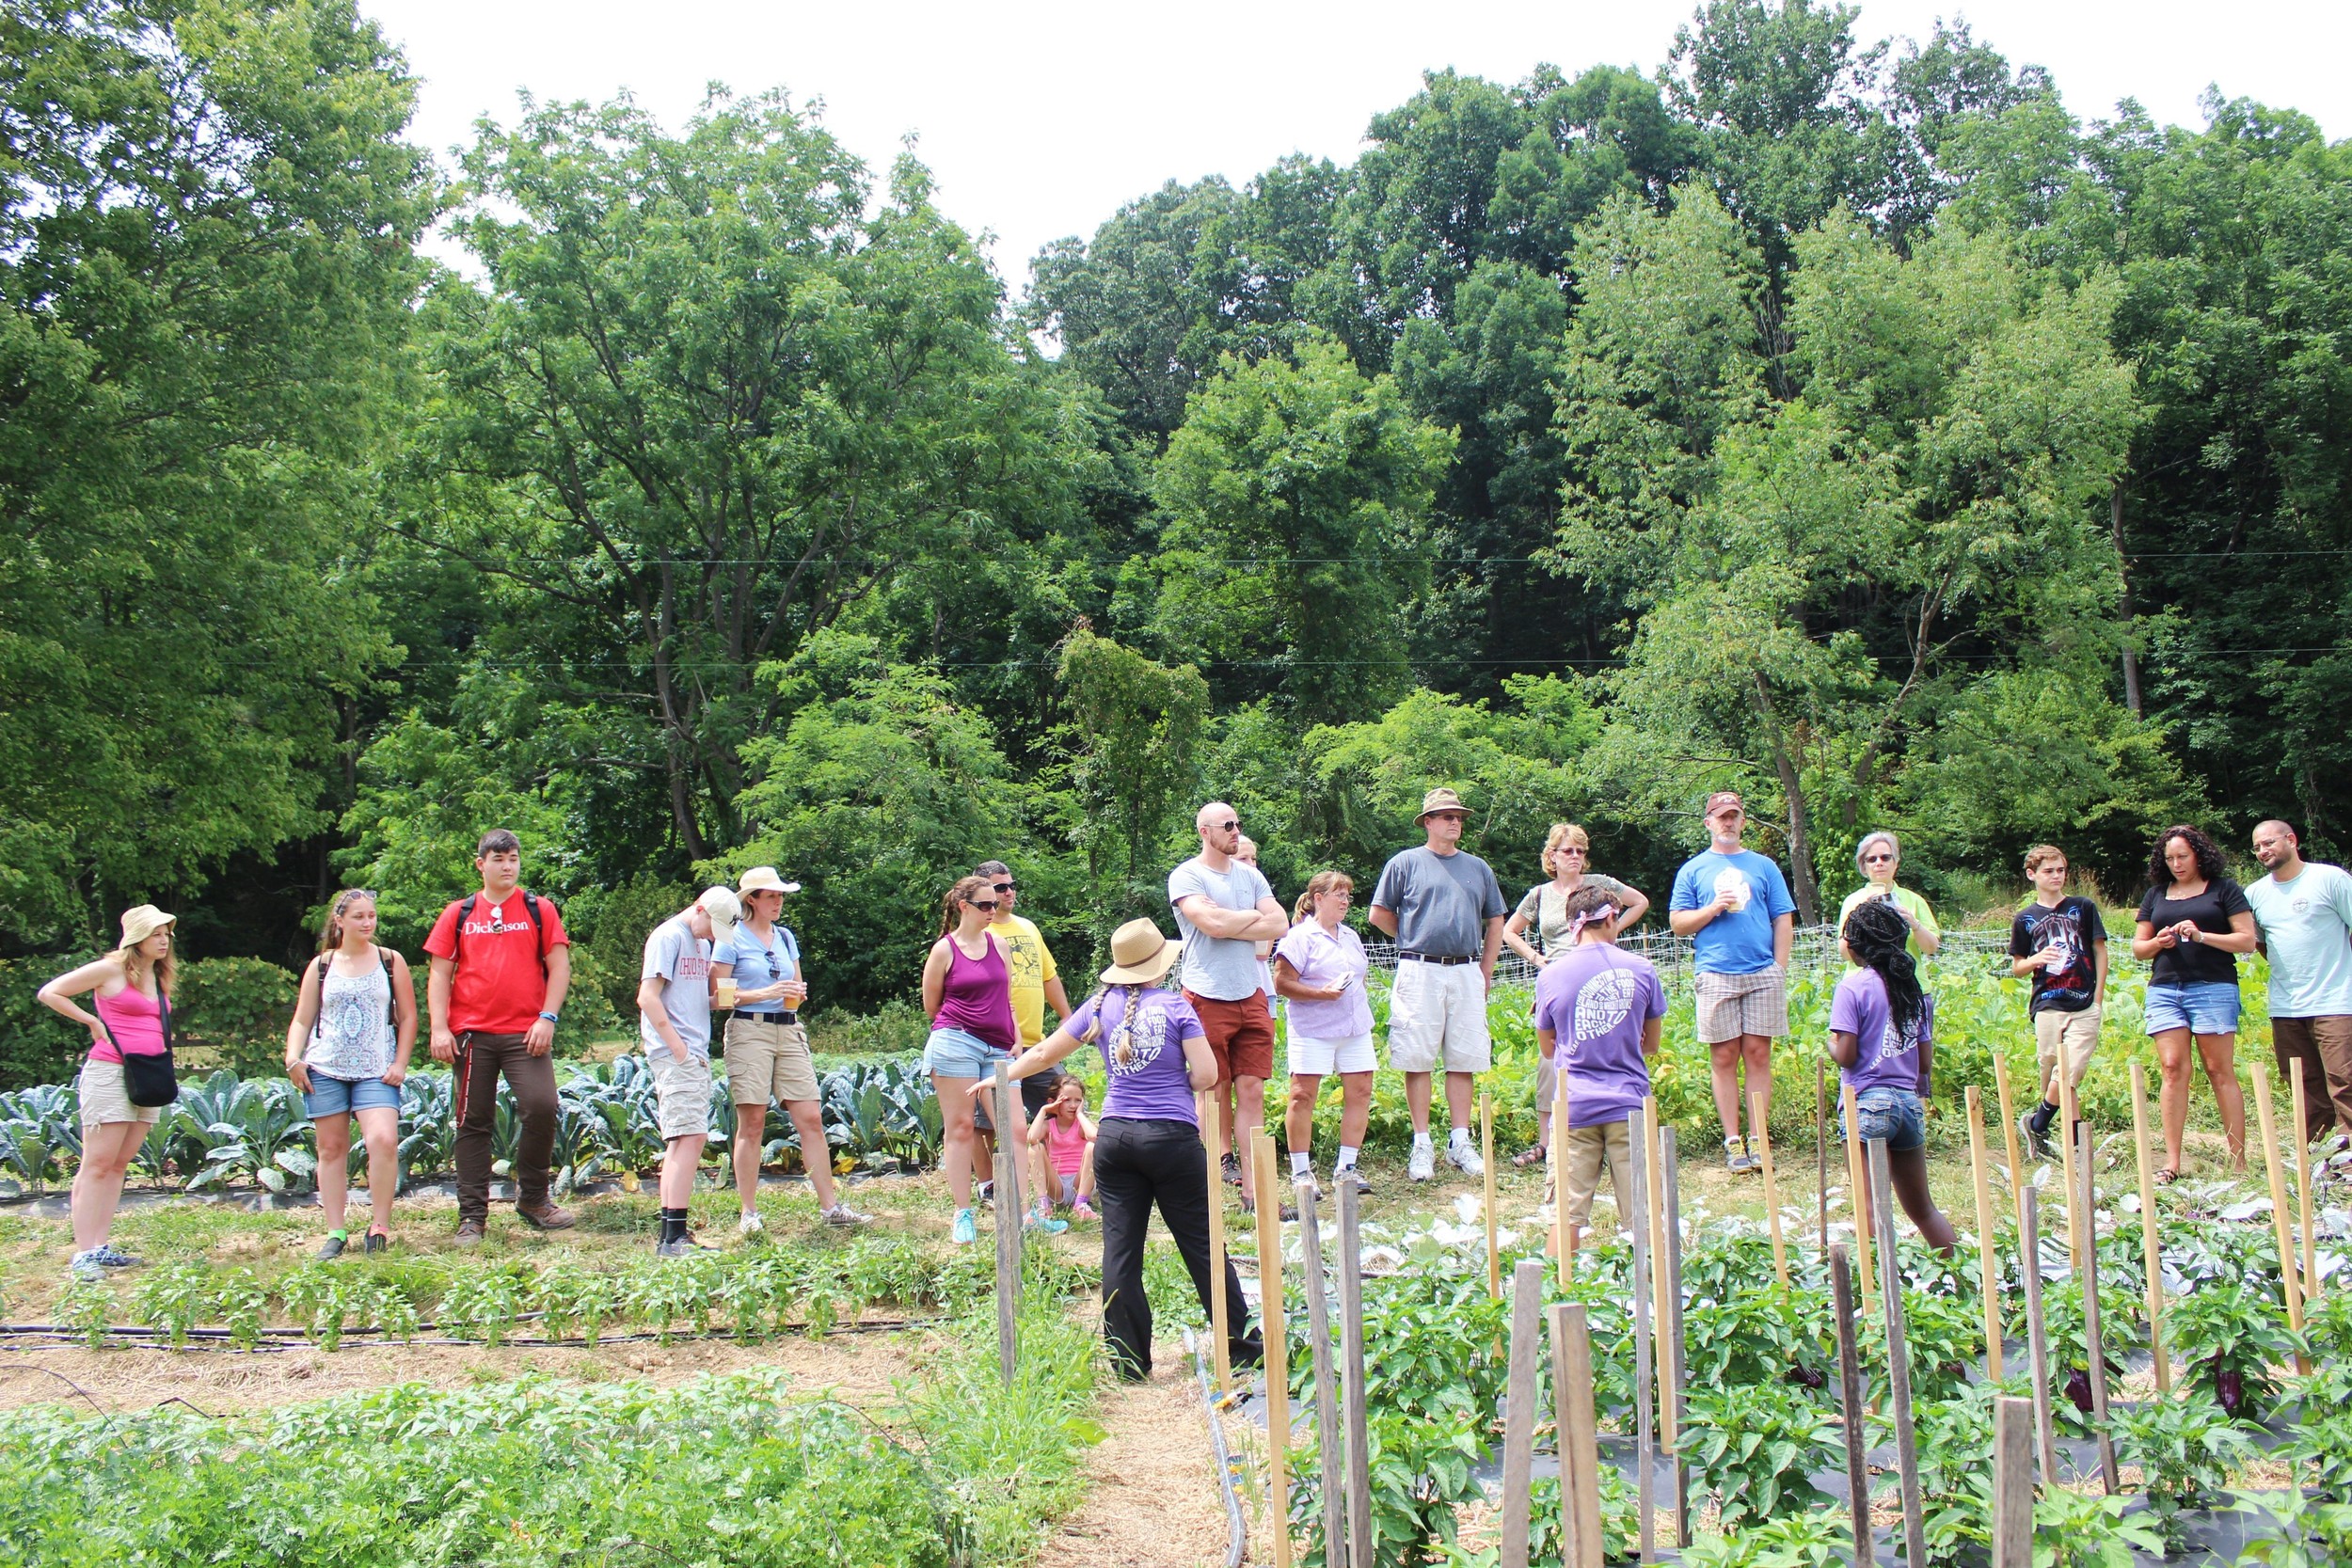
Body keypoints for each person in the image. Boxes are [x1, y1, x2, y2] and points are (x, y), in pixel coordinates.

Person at [983, 918, 1262, 1379]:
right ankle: (1242, 1349)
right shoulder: (1177, 1007)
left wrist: (997, 1078)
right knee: (1204, 1245)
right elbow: (1209, 1075)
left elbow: (1041, 1055)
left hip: (1114, 1139)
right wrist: (1178, 1082)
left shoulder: (1097, 1006)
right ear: (1159, 966)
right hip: (1171, 1139)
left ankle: (1129, 1363)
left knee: (1121, 1251)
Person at [423, 830, 576, 1243]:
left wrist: (548, 1017)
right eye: (498, 859)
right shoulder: (459, 913)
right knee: (473, 1121)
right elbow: (439, 973)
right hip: (472, 1035)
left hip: (526, 1032)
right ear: (481, 864)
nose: (507, 866)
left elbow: (558, 967)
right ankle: (472, 1216)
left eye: (513, 858)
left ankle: (533, 1199)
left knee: (542, 1106)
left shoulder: (538, 909)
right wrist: (439, 1027)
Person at [713, 865, 866, 1232]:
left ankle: (831, 1208)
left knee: (811, 1118)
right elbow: (720, 996)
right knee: (752, 1122)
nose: (779, 902)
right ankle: (749, 1212)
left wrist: (795, 993)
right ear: (752, 900)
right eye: (772, 896)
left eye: (781, 895)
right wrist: (768, 992)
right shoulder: (730, 937)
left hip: (788, 1029)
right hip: (749, 1030)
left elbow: (794, 984)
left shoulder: (784, 936)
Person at [1369, 787, 1507, 1182]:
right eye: (1446, 816)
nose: (1455, 822)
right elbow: (1378, 913)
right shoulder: (1405, 863)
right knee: (1417, 1056)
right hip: (1419, 969)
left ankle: (1460, 1142)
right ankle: (1422, 1143)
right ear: (1427, 822)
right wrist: (1413, 937)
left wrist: (1486, 970)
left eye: (1459, 817)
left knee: (1465, 1056)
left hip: (1466, 970)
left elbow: (1495, 920)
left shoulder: (1478, 867)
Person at [37, 906, 178, 1279]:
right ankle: (83, 1253)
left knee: (118, 1166)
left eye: (166, 934)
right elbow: (51, 992)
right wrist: (91, 1021)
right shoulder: (110, 969)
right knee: (97, 1164)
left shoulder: (157, 975)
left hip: (147, 1077)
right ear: (137, 938)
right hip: (111, 1072)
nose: (163, 941)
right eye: (156, 934)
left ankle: (100, 1246)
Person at [1502, 822, 1650, 1167]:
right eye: (1568, 851)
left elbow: (1639, 902)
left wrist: (1611, 930)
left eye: (1581, 851)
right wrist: (1537, 959)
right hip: (1561, 981)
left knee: (1608, 1047)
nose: (1575, 857)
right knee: (1550, 1058)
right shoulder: (1540, 894)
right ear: (1551, 855)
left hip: (1601, 979)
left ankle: (1614, 1133)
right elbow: (1510, 931)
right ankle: (1549, 1141)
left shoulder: (1601, 885)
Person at [284, 890, 418, 1258]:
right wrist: (293, 1058)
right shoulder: (321, 965)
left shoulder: (391, 961)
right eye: (359, 916)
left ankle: (379, 1226)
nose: (368, 923)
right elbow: (302, 1018)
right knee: (331, 1149)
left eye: (372, 916)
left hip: (376, 1070)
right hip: (326, 1068)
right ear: (339, 921)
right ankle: (336, 1231)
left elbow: (408, 1018)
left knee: (383, 1140)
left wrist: (400, 1063)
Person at [1668, 791, 1797, 1172]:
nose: (1728, 822)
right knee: (1723, 1057)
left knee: (1758, 1054)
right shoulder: (1693, 870)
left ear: (1743, 822)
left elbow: (1783, 918)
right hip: (1716, 971)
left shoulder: (1764, 866)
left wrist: (1779, 968)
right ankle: (1732, 1141)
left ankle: (1759, 1139)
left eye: (1734, 816)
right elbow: (1677, 924)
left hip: (1761, 972)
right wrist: (1713, 907)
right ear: (1708, 822)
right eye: (1721, 816)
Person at [1168, 802, 1288, 1214]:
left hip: (1251, 995)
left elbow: (1280, 924)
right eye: (1228, 825)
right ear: (1205, 831)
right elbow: (1211, 925)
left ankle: (1255, 1194)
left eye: (1238, 824)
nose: (1236, 831)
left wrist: (1230, 920)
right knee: (1209, 1093)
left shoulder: (1251, 875)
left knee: (1252, 1091)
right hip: (1205, 995)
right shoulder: (1187, 875)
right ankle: (1206, 1194)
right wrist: (1249, 918)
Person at [1533, 885, 1666, 1242]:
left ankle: (1560, 1291)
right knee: (1645, 1214)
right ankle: (1654, 1290)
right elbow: (1651, 1044)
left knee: (1566, 1216)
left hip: (1574, 1105)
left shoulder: (1549, 976)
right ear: (1610, 917)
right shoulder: (1642, 969)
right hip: (1630, 1104)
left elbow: (1548, 1048)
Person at [1831, 898, 1956, 1254]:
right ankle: (1967, 1280)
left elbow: (1847, 1054)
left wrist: (1830, 1044)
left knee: (1870, 1206)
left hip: (1866, 1103)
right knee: (1923, 1209)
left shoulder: (1853, 988)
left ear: (1855, 947)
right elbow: (1924, 1063)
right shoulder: (1912, 989)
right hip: (1907, 1104)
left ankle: (1881, 1290)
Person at [922, 874, 1041, 1244]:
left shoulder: (999, 945)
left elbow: (1005, 997)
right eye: (985, 904)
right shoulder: (945, 949)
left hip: (999, 1049)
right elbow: (932, 1005)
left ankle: (1025, 1215)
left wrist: (1016, 1037)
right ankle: (963, 1215)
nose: (994, 909)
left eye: (995, 904)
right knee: (959, 1128)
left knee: (1016, 1130)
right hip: (956, 1043)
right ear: (964, 907)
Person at [2133, 824, 2255, 1180]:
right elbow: (2139, 949)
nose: (2176, 863)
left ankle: (2238, 1160)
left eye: (2183, 856)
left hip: (2214, 987)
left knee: (2219, 1070)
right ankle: (2171, 1162)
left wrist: (2201, 935)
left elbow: (2246, 941)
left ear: (2199, 854)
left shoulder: (2224, 890)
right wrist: (2160, 941)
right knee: (2172, 1069)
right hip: (2166, 989)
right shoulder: (2156, 894)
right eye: (2169, 858)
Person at [638, 887, 739, 1256]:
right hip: (677, 1053)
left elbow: (698, 998)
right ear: (698, 909)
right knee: (690, 1138)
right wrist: (677, 1047)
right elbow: (647, 997)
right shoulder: (669, 937)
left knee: (685, 1139)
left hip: (694, 1051)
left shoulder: (701, 943)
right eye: (712, 926)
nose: (714, 935)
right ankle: (673, 1237)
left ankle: (673, 1234)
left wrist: (724, 1000)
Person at [2248, 820, 2352, 1149]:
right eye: (2257, 847)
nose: (2264, 850)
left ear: (2291, 840)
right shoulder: (2255, 893)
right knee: (2302, 1085)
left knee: (2343, 1081)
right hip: (2287, 1006)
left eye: (2269, 843)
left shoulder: (2329, 878)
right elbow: (2261, 944)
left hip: (2336, 1000)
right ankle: (2320, 1155)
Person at [1273, 871, 1375, 1196]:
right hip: (1313, 1028)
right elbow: (1282, 983)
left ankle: (1347, 1167)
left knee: (1360, 1093)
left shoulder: (1350, 936)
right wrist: (1322, 994)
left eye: (1348, 896)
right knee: (1302, 1096)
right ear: (1318, 899)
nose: (1345, 902)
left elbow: (1360, 975)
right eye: (1338, 895)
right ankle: (1301, 1172)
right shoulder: (1299, 938)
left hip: (1355, 1026)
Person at [2010, 845, 2109, 1159]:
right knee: (2056, 1075)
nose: (2056, 876)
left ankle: (2038, 1123)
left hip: (2083, 1003)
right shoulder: (2024, 918)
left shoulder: (2083, 906)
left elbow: (2100, 951)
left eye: (2061, 870)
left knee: (2070, 1071)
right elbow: (2017, 967)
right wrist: (2037, 958)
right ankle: (2075, 1147)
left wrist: (2098, 997)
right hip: (2047, 1004)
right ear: (2032, 875)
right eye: (2049, 871)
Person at [1836, 832, 1942, 962]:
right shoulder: (1852, 901)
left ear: (1896, 862)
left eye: (1885, 857)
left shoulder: (1914, 900)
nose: (1879, 863)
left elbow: (1931, 949)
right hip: (1865, 980)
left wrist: (1914, 925)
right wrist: (1860, 918)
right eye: (1871, 859)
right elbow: (1845, 955)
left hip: (1907, 980)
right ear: (1864, 866)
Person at [1027, 1077, 1098, 1221]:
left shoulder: (1080, 1125)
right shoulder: (1049, 1125)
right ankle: (1042, 1204)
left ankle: (1081, 1204)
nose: (1073, 1105)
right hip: (1056, 1185)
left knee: (1092, 1146)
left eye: (1078, 1100)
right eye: (1067, 1100)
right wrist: (1043, 1111)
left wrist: (1080, 1114)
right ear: (1052, 1102)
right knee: (1036, 1148)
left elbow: (1094, 1136)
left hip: (1080, 1184)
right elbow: (1031, 1139)